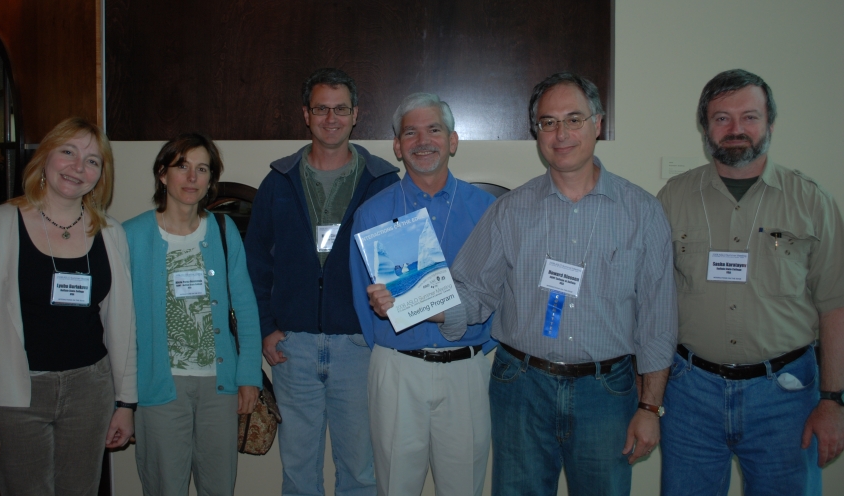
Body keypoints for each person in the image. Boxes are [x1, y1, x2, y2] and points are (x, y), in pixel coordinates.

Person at [439, 72, 677, 496]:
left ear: (598, 124)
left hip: (606, 392)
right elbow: (472, 291)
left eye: (574, 119)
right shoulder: (509, 211)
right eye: (548, 122)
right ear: (537, 132)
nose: (561, 133)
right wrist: (419, 303)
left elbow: (657, 322)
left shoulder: (642, 212)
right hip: (522, 389)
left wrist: (649, 408)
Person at [656, 69, 844, 496]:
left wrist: (833, 401)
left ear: (770, 124)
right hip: (690, 395)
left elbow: (836, 304)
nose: (736, 129)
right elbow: (651, 299)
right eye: (722, 118)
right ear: (705, 128)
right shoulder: (672, 198)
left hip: (786, 397)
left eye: (750, 117)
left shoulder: (812, 201)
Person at [0, 117, 136, 495]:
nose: (78, 167)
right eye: (68, 152)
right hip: (17, 393)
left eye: (92, 161)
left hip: (91, 390)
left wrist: (125, 403)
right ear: (45, 158)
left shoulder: (111, 234)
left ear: (101, 175)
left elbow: (123, 328)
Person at [245, 68, 399, 496]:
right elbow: (255, 264)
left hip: (359, 346)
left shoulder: (383, 182)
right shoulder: (277, 183)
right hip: (292, 348)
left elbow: (401, 265)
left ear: (356, 115)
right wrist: (265, 328)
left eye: (340, 109)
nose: (331, 118)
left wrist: (381, 331)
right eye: (321, 109)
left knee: (360, 472)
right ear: (305, 115)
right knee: (298, 472)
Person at [349, 93, 496, 496]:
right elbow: (362, 304)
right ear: (397, 147)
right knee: (395, 485)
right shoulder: (373, 214)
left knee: (464, 487)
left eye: (434, 129)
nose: (422, 140)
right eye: (410, 132)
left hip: (466, 369)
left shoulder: (487, 210)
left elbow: (499, 293)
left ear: (453, 140)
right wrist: (382, 311)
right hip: (397, 368)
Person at [124, 133, 261, 496]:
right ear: (162, 174)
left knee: (219, 486)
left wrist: (248, 375)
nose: (191, 178)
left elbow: (245, 306)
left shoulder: (222, 229)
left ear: (210, 180)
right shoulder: (131, 235)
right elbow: (121, 323)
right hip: (159, 385)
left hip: (219, 384)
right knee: (165, 486)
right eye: (182, 166)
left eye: (202, 169)